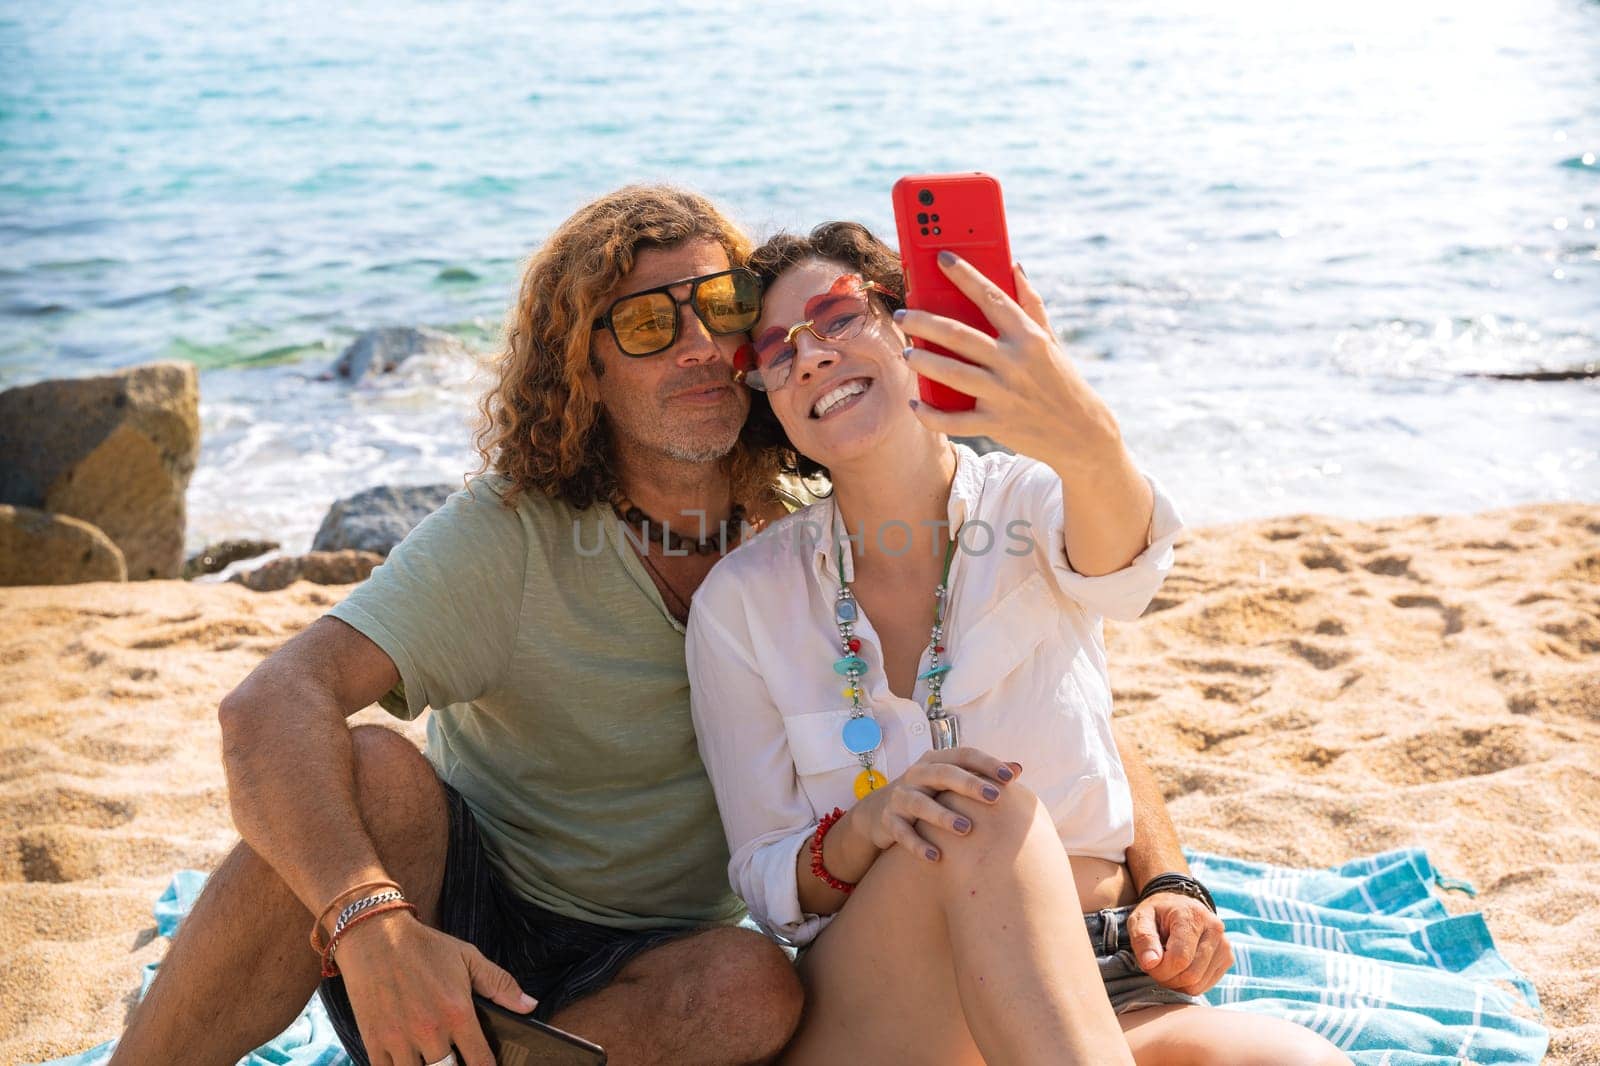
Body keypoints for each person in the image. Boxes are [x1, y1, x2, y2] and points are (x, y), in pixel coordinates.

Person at [106, 186, 1229, 1066]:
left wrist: (1168, 877)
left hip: (659, 969)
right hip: (470, 906)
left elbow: (1054, 689)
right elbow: (269, 702)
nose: (699, 346)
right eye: (646, 323)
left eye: (724, 309)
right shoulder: (511, 535)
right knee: (366, 771)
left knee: (753, 991)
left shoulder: (814, 522)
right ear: (582, 369)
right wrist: (371, 923)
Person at [685, 222, 1350, 1065]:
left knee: (1297, 1061)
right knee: (972, 813)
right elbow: (768, 884)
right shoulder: (742, 603)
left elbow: (1129, 574)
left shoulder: (1032, 504)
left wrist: (1076, 420)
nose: (809, 355)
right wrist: (876, 822)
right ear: (774, 406)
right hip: (895, 1013)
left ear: (913, 327)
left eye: (837, 317)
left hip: (1106, 980)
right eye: (777, 352)